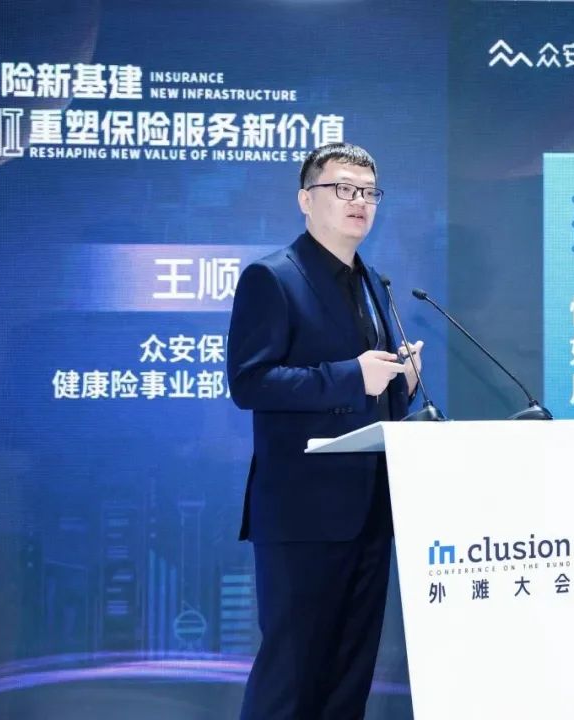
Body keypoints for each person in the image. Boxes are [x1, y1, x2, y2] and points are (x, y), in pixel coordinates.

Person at [226, 142, 422, 719]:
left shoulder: (375, 283)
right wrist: (352, 376)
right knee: (291, 680)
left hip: (370, 509)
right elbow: (251, 382)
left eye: (368, 192)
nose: (358, 202)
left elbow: (370, 393)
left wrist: (402, 382)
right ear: (305, 200)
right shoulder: (272, 277)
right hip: (303, 513)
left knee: (347, 681)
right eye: (342, 189)